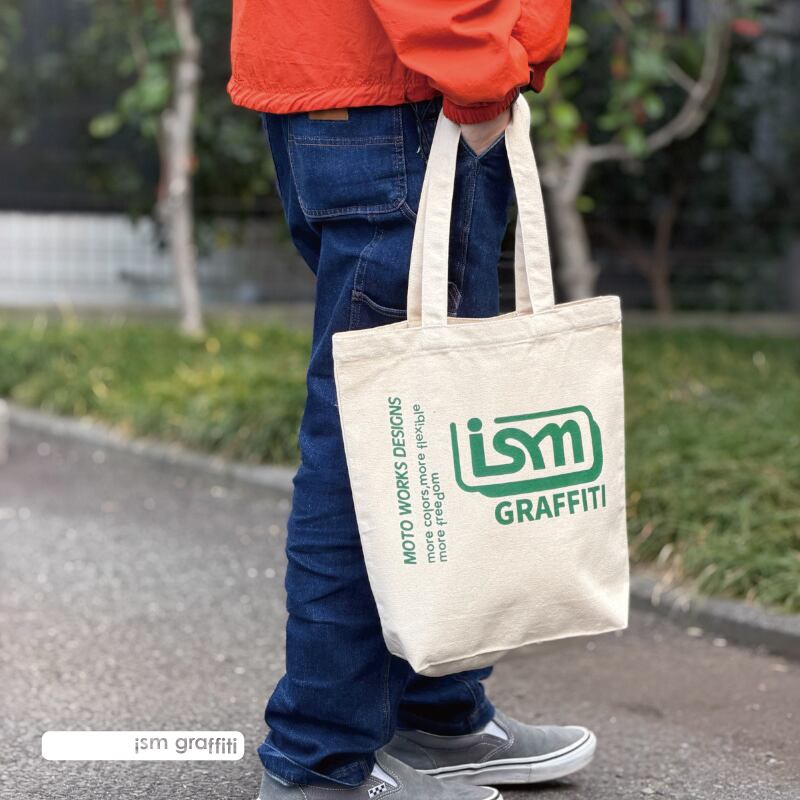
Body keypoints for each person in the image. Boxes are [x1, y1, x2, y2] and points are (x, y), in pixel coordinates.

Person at [228, 2, 597, 798]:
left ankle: (431, 713)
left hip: (350, 84)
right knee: (376, 439)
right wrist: (484, 75)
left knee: (419, 426)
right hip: (409, 92)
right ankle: (320, 759)